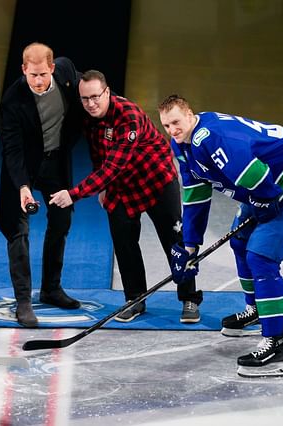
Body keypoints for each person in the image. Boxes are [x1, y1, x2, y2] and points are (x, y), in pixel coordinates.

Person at [158, 94, 283, 377]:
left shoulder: (211, 138)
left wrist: (266, 203)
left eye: (176, 122)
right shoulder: (183, 144)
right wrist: (189, 244)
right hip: (264, 182)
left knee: (261, 256)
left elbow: (254, 174)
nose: (172, 130)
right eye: (166, 125)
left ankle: (278, 346)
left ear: (189, 114)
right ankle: (258, 309)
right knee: (240, 241)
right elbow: (196, 195)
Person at [49, 70, 203, 323]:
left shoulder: (127, 115)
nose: (91, 103)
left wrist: (74, 194)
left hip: (156, 181)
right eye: (85, 99)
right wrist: (102, 188)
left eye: (96, 97)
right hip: (120, 186)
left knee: (175, 242)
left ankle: (189, 298)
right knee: (124, 243)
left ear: (107, 92)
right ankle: (135, 299)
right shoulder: (88, 117)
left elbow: (112, 167)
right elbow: (98, 154)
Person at [0, 42, 83, 328]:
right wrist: (22, 186)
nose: (38, 80)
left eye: (43, 74)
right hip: (23, 167)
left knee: (61, 220)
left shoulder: (67, 72)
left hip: (56, 162)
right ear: (24, 70)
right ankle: (23, 301)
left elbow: (88, 94)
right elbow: (12, 149)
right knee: (17, 230)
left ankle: (51, 289)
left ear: (53, 69)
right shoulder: (13, 99)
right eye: (32, 75)